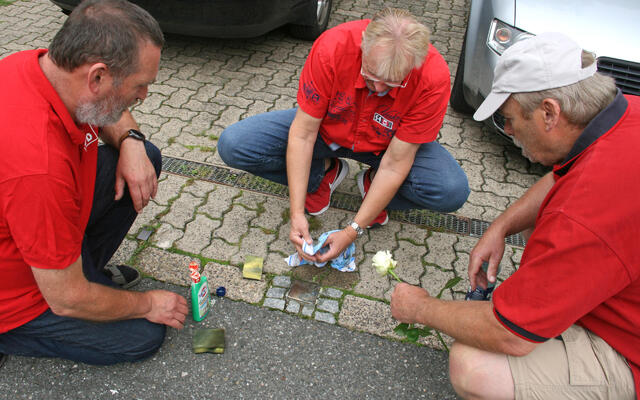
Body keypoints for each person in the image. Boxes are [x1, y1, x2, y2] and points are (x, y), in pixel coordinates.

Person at [391, 32, 639, 399]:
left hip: (628, 348)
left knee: (474, 364)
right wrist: (501, 227)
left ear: (550, 113)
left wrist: (420, 308)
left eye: (509, 119)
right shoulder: (625, 112)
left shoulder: (583, 212)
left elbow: (511, 332)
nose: (508, 132)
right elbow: (564, 172)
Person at [0, 0, 188, 367]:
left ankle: (86, 274)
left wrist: (132, 140)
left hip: (36, 223)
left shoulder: (36, 67)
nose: (144, 96)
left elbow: (109, 117)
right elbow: (65, 299)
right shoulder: (39, 168)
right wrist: (148, 303)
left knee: (144, 156)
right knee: (143, 337)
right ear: (98, 77)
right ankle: (30, 322)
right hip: (18, 298)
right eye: (140, 85)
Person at [217, 7, 469, 265]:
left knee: (451, 191)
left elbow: (396, 164)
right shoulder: (332, 47)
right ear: (363, 47)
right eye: (371, 78)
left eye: (391, 84)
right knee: (234, 145)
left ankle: (375, 189)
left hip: (387, 147)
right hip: (327, 132)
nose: (379, 89)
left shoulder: (432, 76)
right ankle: (322, 175)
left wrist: (352, 231)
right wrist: (296, 213)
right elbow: (303, 135)